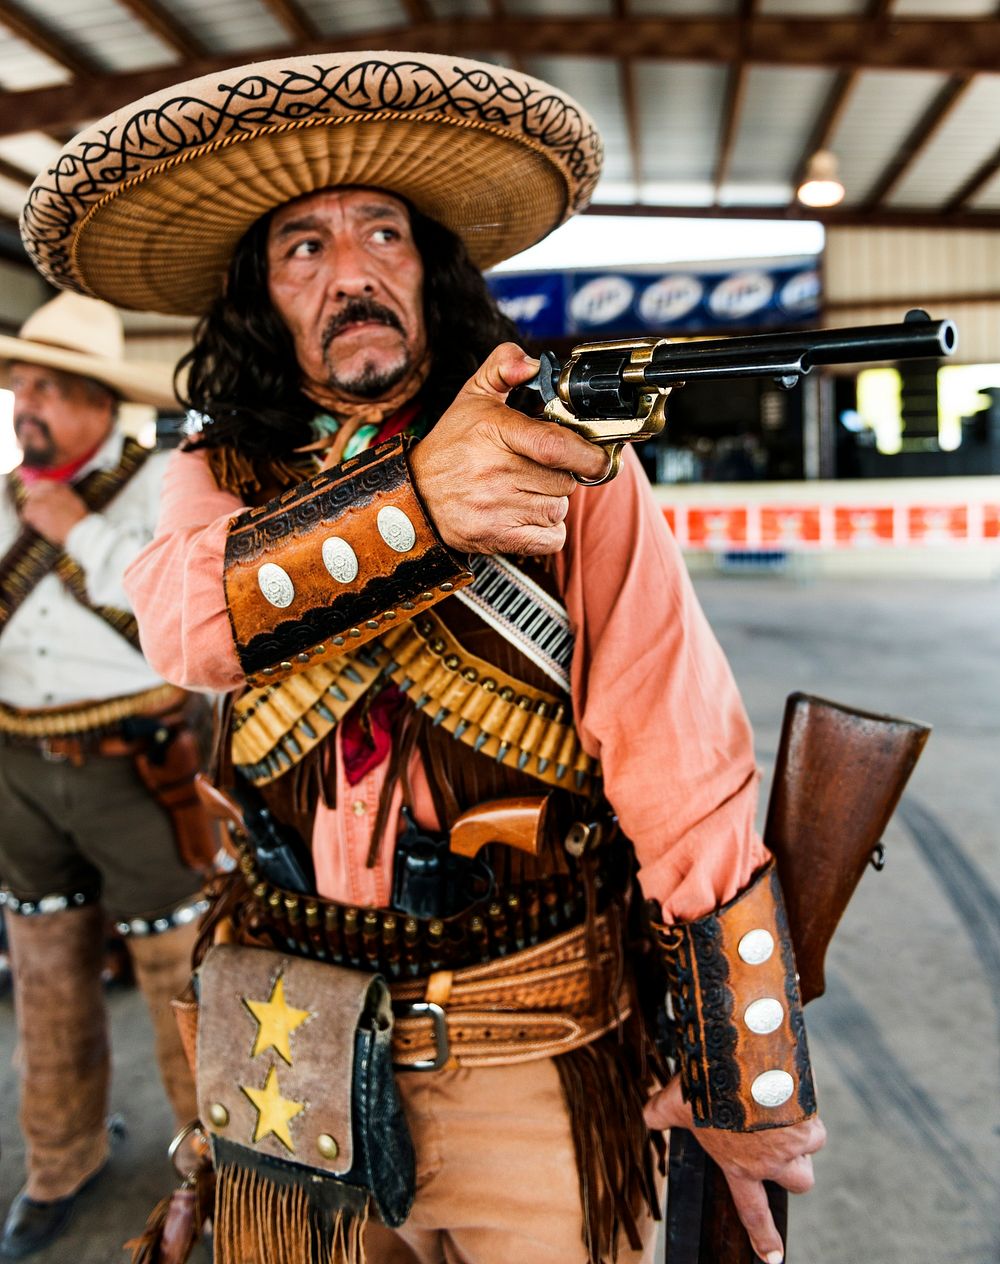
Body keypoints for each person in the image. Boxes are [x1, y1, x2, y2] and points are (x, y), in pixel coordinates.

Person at [21, 52, 825, 1264]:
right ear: (259, 296)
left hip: (534, 1040)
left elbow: (679, 751)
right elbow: (186, 631)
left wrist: (747, 1075)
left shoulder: (568, 463)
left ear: (430, 267)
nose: (350, 273)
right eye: (303, 248)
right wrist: (426, 503)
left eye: (382, 234)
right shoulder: (214, 473)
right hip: (285, 1038)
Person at [0, 293, 214, 1260]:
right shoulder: (7, 490)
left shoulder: (166, 481)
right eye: (20, 385)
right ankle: (60, 1160)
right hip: (17, 770)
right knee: (45, 976)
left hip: (142, 767)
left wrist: (75, 527)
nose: (23, 403)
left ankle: (206, 1176)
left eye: (44, 386)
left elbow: (183, 620)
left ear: (97, 398)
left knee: (183, 982)